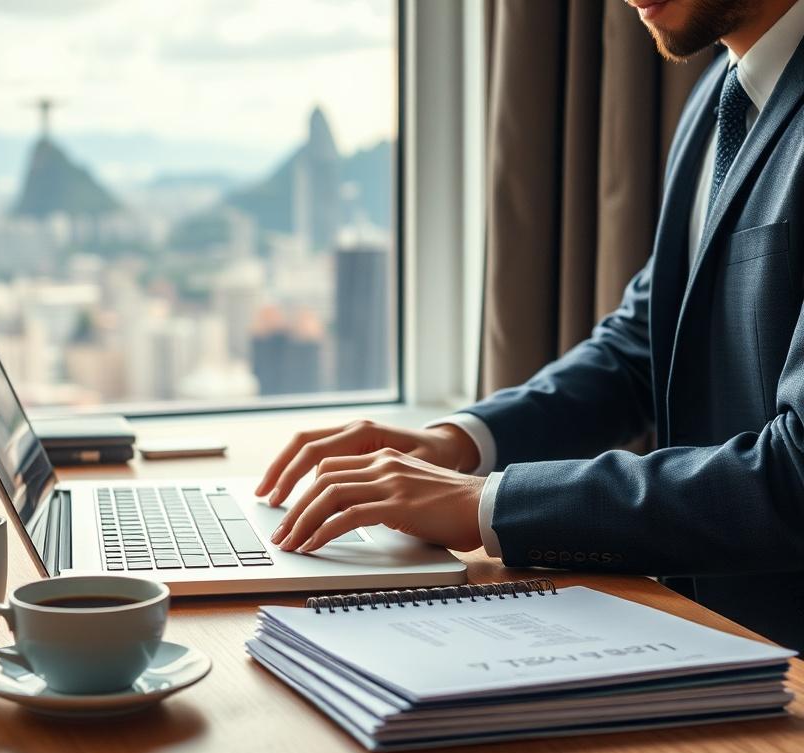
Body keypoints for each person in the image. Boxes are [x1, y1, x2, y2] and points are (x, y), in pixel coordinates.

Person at [256, 0, 804, 651]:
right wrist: (460, 443)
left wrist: (489, 503)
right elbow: (640, 346)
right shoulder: (719, 96)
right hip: (710, 644)